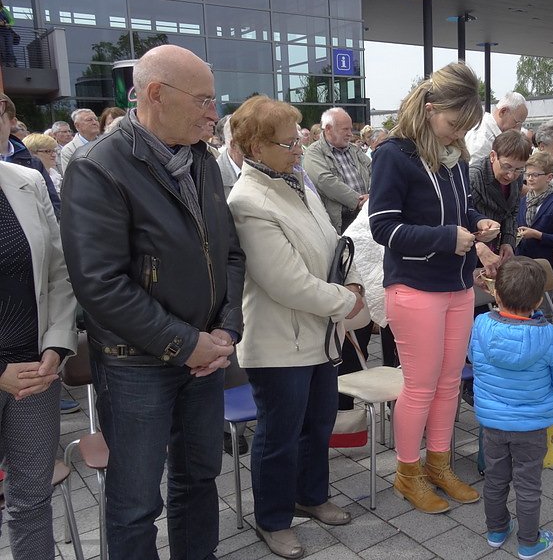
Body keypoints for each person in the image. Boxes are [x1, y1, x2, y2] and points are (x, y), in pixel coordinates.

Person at [59, 44, 245, 560]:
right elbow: (99, 285)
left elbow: (229, 253)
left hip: (204, 357)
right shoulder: (98, 168)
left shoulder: (203, 161)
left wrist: (227, 330)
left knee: (199, 480)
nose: (215, 113)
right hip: (136, 364)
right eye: (205, 100)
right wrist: (186, 344)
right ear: (157, 94)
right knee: (136, 502)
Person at [226, 95, 363, 559]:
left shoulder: (294, 181)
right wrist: (346, 301)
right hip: (280, 341)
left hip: (319, 334)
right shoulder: (248, 200)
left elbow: (330, 243)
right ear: (255, 147)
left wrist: (351, 276)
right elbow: (285, 282)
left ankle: (312, 494)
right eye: (288, 144)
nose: (298, 150)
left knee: (319, 422)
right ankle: (273, 518)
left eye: (298, 141)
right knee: (279, 435)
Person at [369, 62, 500, 514]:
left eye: (465, 128)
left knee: (448, 382)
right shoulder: (394, 154)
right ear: (429, 110)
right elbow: (383, 227)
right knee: (421, 386)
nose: (457, 134)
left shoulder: (456, 158)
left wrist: (474, 224)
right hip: (415, 286)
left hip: (456, 284)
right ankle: (408, 473)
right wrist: (447, 237)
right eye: (452, 124)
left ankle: (439, 464)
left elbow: (458, 208)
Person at [0, 98, 77, 559]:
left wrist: (56, 345)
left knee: (31, 498)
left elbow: (59, 271)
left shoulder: (26, 181)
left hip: (35, 369)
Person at [469, 257, 553, 560]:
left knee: (495, 477)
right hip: (532, 426)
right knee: (529, 485)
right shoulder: (549, 336)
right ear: (538, 299)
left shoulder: (481, 326)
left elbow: (474, 360)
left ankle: (496, 530)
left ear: (497, 294)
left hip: (492, 422)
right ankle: (529, 542)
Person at [470, 129, 531, 276]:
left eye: (518, 169)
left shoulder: (517, 177)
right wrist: (476, 246)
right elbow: (460, 217)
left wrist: (508, 241)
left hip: (496, 250)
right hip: (471, 251)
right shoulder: (474, 177)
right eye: (506, 166)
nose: (511, 175)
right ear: (493, 156)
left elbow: (512, 213)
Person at [304, 107, 371, 233]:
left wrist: (372, 195)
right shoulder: (313, 152)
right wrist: (358, 201)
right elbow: (325, 181)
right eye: (345, 129)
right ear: (328, 129)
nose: (350, 134)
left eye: (350, 129)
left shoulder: (354, 149)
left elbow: (374, 169)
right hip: (341, 221)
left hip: (365, 213)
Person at [0, 94, 61, 218]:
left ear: (12, 122)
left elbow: (53, 206)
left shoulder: (33, 163)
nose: (53, 155)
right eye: (47, 151)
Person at [516, 152, 553, 271]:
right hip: (521, 262)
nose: (530, 179)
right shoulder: (522, 201)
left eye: (535, 175)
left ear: (549, 177)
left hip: (544, 265)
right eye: (527, 174)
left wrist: (537, 235)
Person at [465, 92, 528, 166]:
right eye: (517, 123)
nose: (518, 129)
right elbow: (475, 175)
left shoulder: (490, 135)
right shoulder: (482, 140)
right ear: (503, 112)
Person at [60, 108, 100, 174]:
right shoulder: (69, 150)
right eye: (89, 120)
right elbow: (71, 177)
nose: (94, 122)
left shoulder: (105, 143)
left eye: (96, 119)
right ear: (77, 126)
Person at [0, 0, 18, 68]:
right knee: (2, 48)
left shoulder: (4, 10)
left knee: (9, 49)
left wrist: (7, 24)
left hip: (7, 32)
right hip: (0, 33)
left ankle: (12, 65)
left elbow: (12, 20)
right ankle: (4, 65)